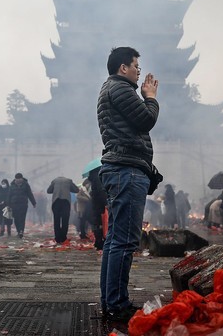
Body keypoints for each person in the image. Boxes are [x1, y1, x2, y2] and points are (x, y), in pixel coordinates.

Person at [97, 46, 159, 322]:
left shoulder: (113, 88)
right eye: (136, 65)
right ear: (123, 67)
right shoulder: (121, 89)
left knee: (115, 241)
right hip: (126, 170)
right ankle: (117, 304)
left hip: (121, 169)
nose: (139, 71)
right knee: (124, 241)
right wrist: (151, 98)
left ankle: (112, 301)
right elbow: (146, 120)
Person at [47, 176, 79, 244]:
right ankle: (63, 237)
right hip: (65, 202)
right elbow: (76, 190)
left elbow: (49, 191)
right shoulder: (69, 181)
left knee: (56, 220)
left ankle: (57, 238)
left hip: (56, 201)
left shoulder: (54, 181)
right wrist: (68, 188)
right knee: (65, 220)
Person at [7, 173, 37, 238]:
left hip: (23, 204)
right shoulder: (12, 185)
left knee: (22, 218)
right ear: (15, 179)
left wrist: (33, 203)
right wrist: (8, 205)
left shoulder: (26, 185)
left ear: (22, 179)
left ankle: (21, 231)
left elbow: (30, 194)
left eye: (19, 179)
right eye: (17, 179)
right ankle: (18, 230)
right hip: (14, 205)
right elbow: (9, 196)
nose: (18, 180)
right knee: (16, 219)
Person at [88, 168, 107, 250]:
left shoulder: (93, 178)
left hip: (95, 204)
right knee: (101, 223)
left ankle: (98, 241)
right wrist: (106, 203)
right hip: (100, 204)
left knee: (97, 223)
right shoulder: (98, 177)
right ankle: (100, 242)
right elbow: (101, 191)